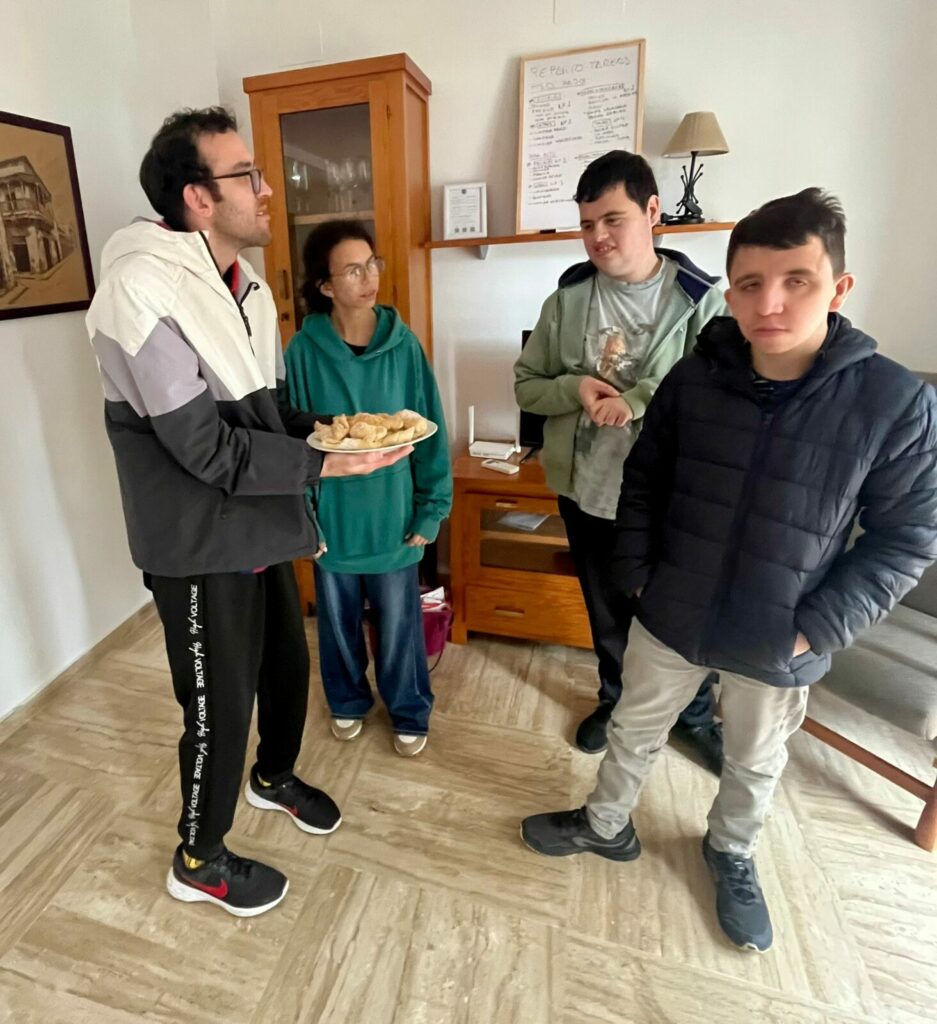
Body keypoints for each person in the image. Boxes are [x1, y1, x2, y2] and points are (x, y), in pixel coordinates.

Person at [520, 188, 937, 952]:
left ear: (838, 288)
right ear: (730, 290)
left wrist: (818, 629)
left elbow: (906, 537)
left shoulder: (892, 401)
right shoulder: (694, 377)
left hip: (781, 631)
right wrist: (638, 576)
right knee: (632, 727)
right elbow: (644, 480)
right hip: (671, 607)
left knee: (753, 760)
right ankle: (605, 824)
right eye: (749, 283)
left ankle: (730, 852)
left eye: (795, 281)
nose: (768, 303)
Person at [85, 108, 412, 918]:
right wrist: (321, 462)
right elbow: (204, 448)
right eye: (246, 176)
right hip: (197, 539)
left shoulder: (249, 286)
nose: (268, 190)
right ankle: (198, 857)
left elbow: (262, 414)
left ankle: (272, 777)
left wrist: (337, 432)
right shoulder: (139, 290)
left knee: (285, 670)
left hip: (257, 520)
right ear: (198, 198)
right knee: (218, 705)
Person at [514, 150, 725, 767]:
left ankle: (692, 717)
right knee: (605, 609)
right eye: (587, 224)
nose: (598, 237)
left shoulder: (701, 302)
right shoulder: (566, 301)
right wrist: (575, 388)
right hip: (586, 489)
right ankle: (614, 700)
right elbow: (527, 387)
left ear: (652, 211)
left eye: (613, 219)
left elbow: (714, 398)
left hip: (671, 498)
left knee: (674, 614)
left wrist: (635, 401)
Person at [284, 219, 452, 757]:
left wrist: (431, 510)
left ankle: (409, 708)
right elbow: (294, 439)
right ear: (325, 286)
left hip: (393, 515)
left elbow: (430, 431)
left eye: (371, 264)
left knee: (400, 622)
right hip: (332, 517)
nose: (369, 277)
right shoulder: (302, 351)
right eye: (352, 270)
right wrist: (305, 522)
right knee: (336, 622)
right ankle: (347, 700)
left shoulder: (405, 347)